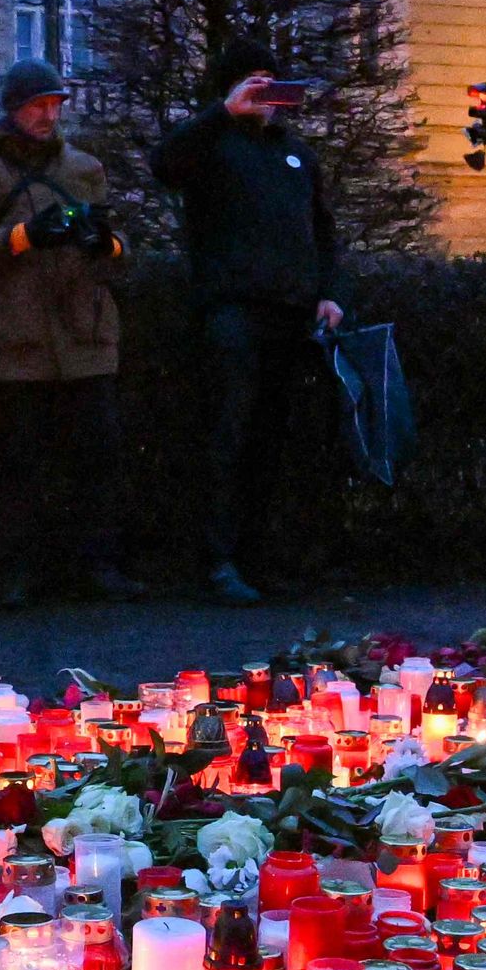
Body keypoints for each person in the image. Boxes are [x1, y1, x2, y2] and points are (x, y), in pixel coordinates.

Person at [155, 39, 342, 605]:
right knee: (227, 437)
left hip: (290, 317)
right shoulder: (210, 145)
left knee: (272, 443)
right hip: (232, 312)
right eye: (252, 83)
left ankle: (261, 558)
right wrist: (223, 113)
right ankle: (217, 560)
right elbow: (163, 164)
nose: (265, 95)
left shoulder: (297, 154)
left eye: (271, 83)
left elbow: (323, 231)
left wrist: (330, 293)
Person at [0, 59, 135, 607]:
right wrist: (25, 236)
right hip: (15, 343)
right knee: (16, 465)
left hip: (86, 337)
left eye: (54, 105)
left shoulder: (84, 167)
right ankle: (15, 574)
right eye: (36, 106)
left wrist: (108, 244)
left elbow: (121, 249)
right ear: (11, 109)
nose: (48, 116)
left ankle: (96, 568)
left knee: (97, 462)